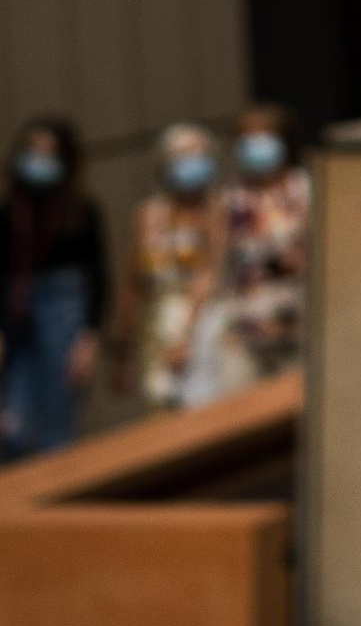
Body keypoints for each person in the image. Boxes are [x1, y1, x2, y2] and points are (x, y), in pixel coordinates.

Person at [1, 115, 106, 459]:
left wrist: (89, 338)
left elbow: (99, 277)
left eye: (49, 153)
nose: (39, 160)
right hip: (17, 315)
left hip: (64, 312)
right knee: (13, 423)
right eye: (33, 150)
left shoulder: (82, 212)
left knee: (56, 425)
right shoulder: (11, 212)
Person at [192, 107, 311, 396]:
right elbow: (212, 265)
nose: (256, 145)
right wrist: (190, 329)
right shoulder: (230, 198)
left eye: (264, 136)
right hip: (244, 327)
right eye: (248, 138)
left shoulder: (305, 188)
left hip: (296, 324)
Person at [113, 123, 225, 409]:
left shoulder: (218, 211)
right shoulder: (148, 214)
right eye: (182, 156)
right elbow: (133, 282)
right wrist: (122, 349)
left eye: (198, 155)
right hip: (155, 328)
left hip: (203, 326)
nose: (191, 163)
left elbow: (211, 275)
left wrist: (187, 337)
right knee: (158, 407)